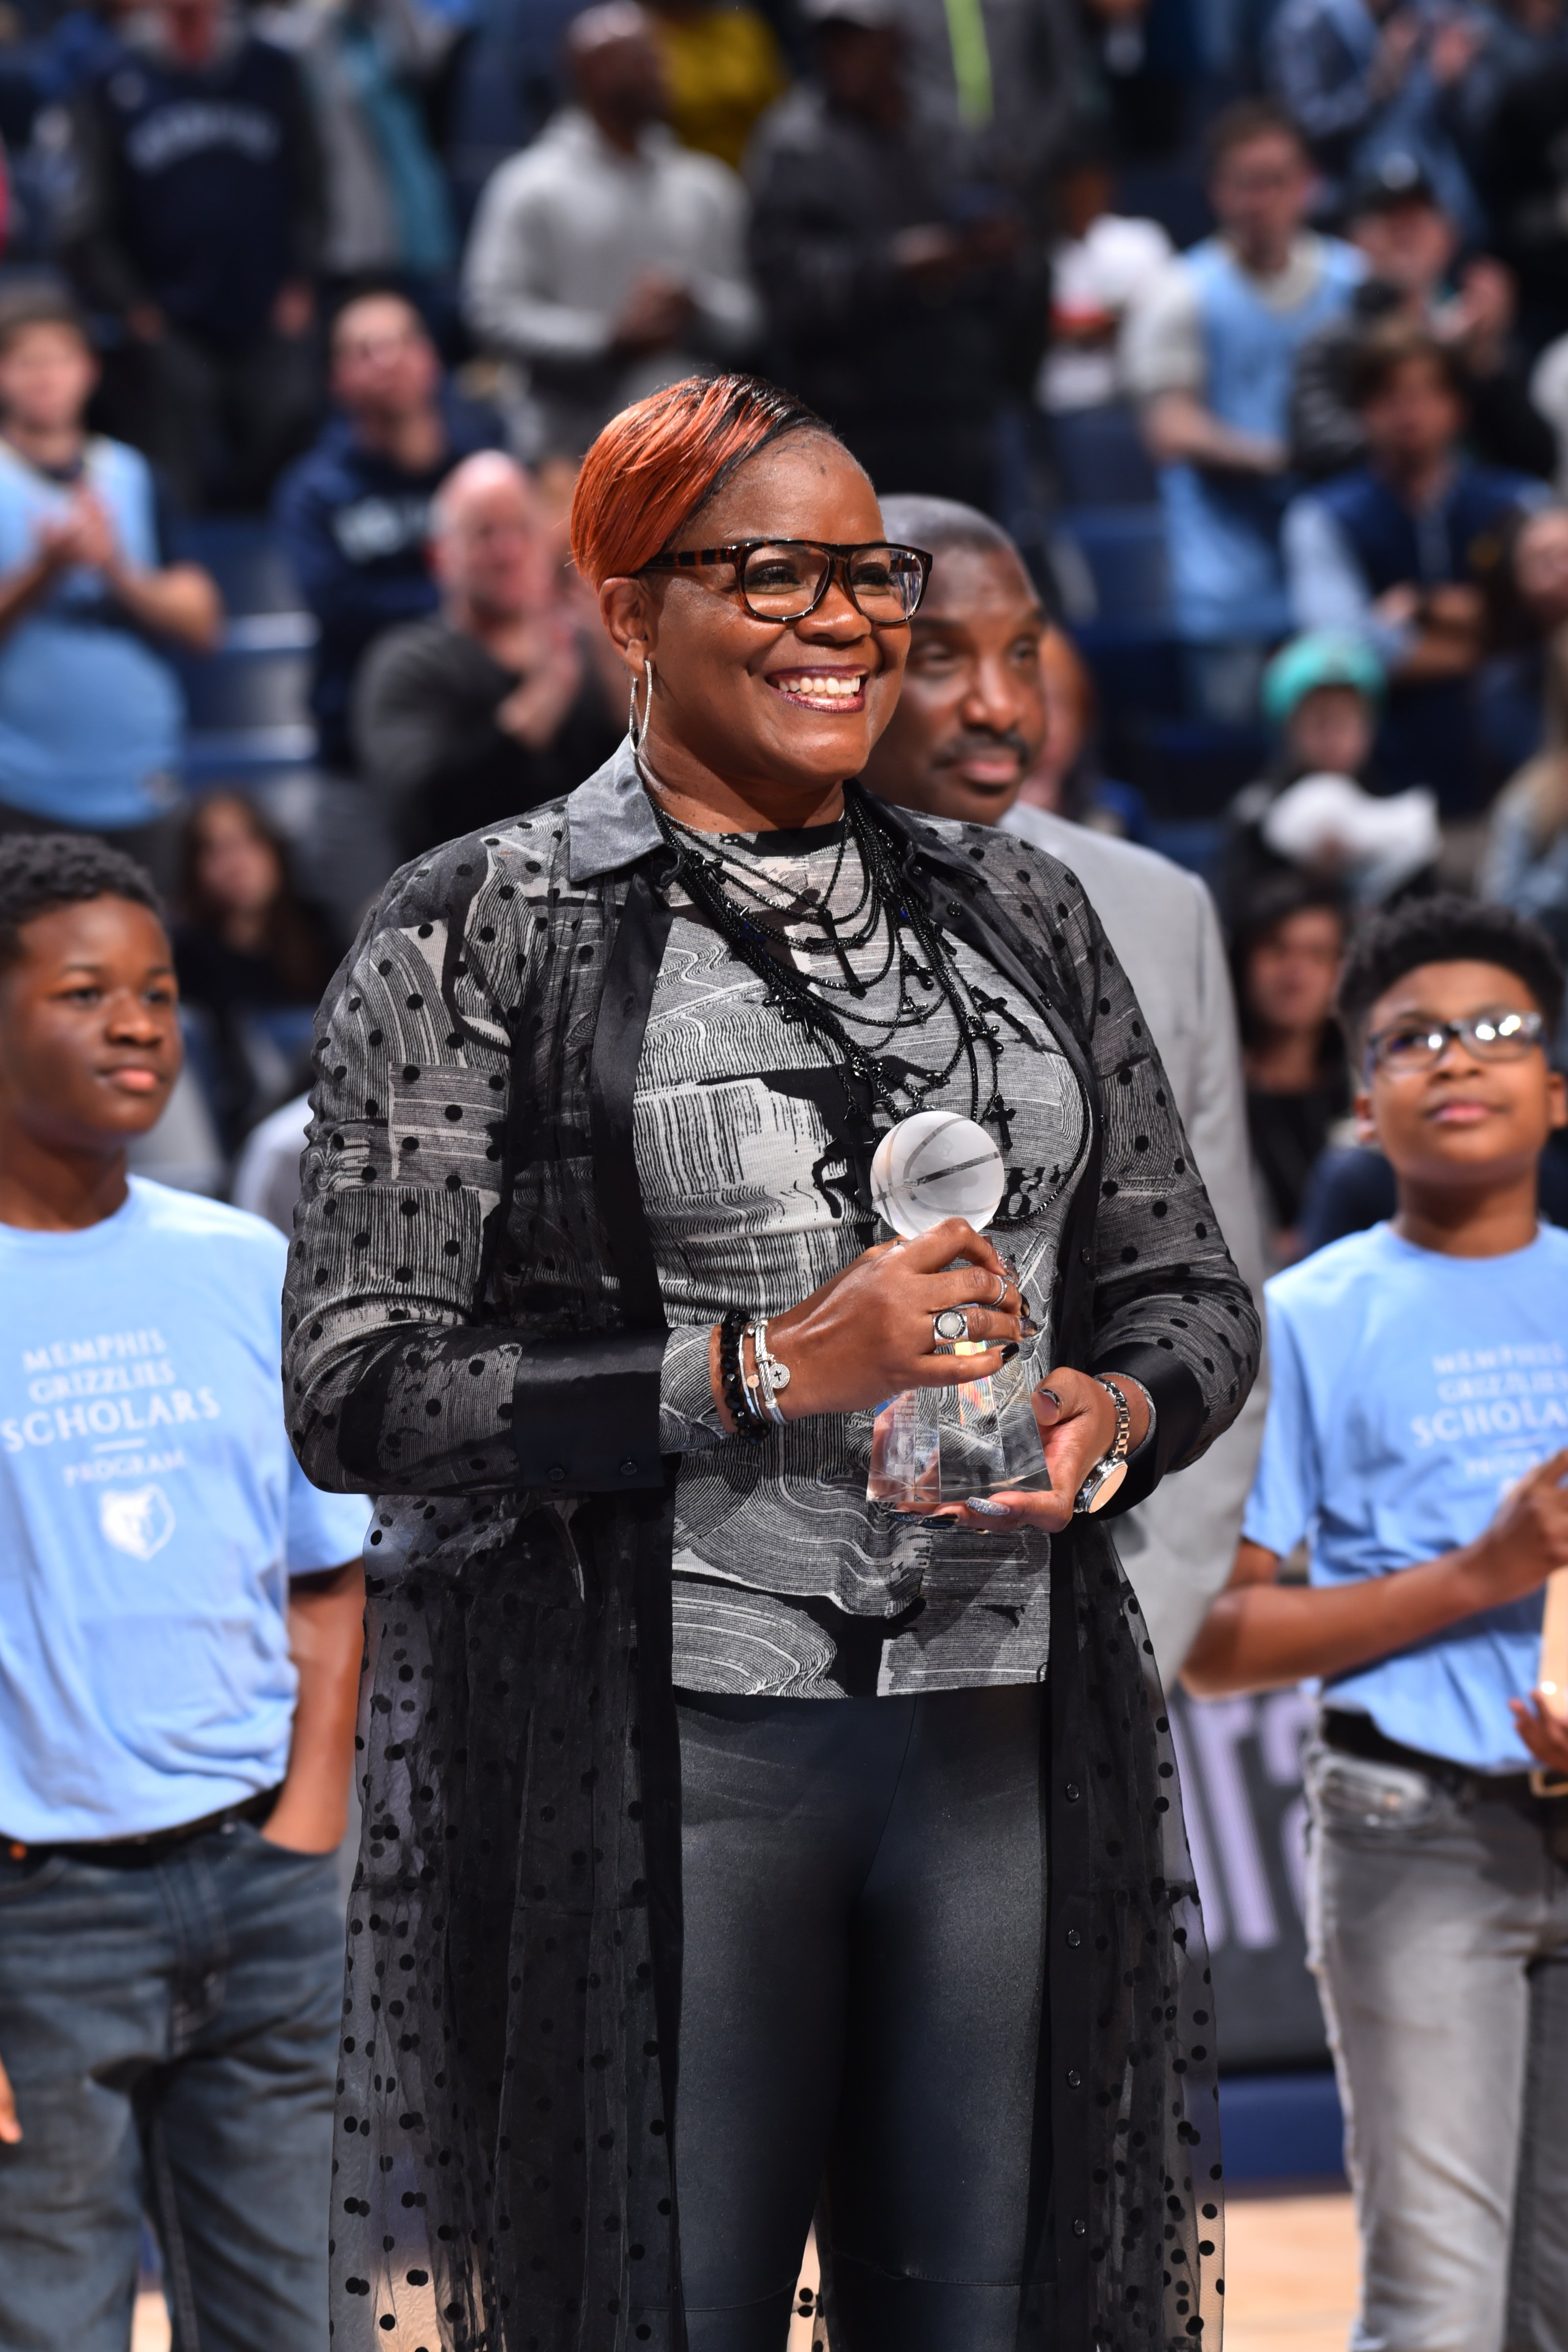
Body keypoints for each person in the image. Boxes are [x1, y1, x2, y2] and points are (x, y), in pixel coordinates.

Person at [284, 371, 1258, 2350]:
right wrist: (755, 1367)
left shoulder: (1018, 901)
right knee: (661, 2310)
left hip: (997, 1748)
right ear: (625, 609)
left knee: (976, 2317)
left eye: (865, 573)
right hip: (662, 1760)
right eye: (773, 573)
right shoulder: (477, 924)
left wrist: (1117, 1408)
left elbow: (1188, 1291)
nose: (843, 619)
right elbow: (361, 1382)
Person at [0, 833, 369, 2352]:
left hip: (263, 1889)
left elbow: (330, 1575)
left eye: (155, 991)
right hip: (36, 1919)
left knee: (297, 2324)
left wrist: (307, 1824)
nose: (141, 1023)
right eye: (86, 991)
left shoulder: (243, 1261)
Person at [1185, 894, 1568, 2352]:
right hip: (1415, 1833)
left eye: (1494, 1030)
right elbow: (1219, 1642)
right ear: (1362, 1098)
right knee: (1439, 2308)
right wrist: (1479, 1576)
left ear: (1554, 1084)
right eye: (1411, 1037)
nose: (1454, 1060)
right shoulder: (1306, 1316)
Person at [863, 488, 1267, 1680]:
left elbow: (1218, 1290)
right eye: (942, 658)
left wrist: (1146, 1612)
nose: (1000, 703)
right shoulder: (696, 912)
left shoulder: (1157, 906)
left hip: (1089, 1605)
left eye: (1025, 652)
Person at [745, 0, 1047, 511]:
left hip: (955, 406)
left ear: (894, 39)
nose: (840, 55)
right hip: (851, 416)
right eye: (829, 41)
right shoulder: (794, 144)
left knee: (958, 574)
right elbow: (784, 282)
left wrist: (996, 251)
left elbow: (1007, 255)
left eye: (856, 39)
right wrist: (896, 265)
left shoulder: (948, 130)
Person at [1122, 101, 1362, 719]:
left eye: (1277, 180)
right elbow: (1168, 428)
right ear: (1217, 192)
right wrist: (1279, 458)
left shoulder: (1352, 281)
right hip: (1227, 580)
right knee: (1234, 761)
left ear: (1306, 184)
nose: (1262, 200)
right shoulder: (1179, 292)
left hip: (1339, 566)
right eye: (1245, 184)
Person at [462, 2, 760, 461]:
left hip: (694, 455)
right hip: (572, 455)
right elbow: (492, 315)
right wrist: (606, 340)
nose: (660, 71)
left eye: (657, 57)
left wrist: (694, 304)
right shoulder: (529, 187)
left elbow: (749, 322)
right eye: (639, 59)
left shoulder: (706, 186)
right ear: (588, 73)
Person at [59, 0, 324, 512]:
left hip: (266, 308)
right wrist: (132, 307)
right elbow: (87, 220)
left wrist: (301, 278)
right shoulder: (109, 78)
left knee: (289, 420)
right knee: (172, 465)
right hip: (165, 318)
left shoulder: (273, 70)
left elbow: (312, 187)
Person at [0, 289, 220, 877]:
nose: (45, 377)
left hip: (137, 780)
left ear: (88, 371)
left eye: (59, 359)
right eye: (27, 361)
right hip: (19, 785)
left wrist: (115, 568)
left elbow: (202, 621)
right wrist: (42, 572)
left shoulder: (134, 476)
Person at [1285, 321, 1546, 810]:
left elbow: (1549, 628)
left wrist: (1423, 609)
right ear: (1362, 412)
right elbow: (1345, 655)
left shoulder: (1520, 504)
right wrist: (1493, 640)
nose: (1408, 412)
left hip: (1518, 782)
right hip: (1381, 792)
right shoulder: (1321, 518)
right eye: (1388, 396)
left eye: (1426, 393)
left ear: (1457, 408)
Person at [274, 287, 503, 773]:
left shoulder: (486, 467)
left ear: (431, 359)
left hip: (489, 735)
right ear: (336, 379)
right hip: (356, 750)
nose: (386, 360)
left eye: (400, 341)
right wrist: (467, 601)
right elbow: (342, 608)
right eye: (364, 350)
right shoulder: (312, 491)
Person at [353, 449, 621, 854]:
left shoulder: (592, 652)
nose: (507, 551)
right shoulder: (407, 665)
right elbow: (427, 813)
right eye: (484, 534)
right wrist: (543, 698)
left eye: (521, 530)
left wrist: (617, 665)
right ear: (438, 554)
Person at [1290, 154, 1555, 486]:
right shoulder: (1333, 342)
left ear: (1449, 234)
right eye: (1389, 222)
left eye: (1417, 219)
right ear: (1355, 241)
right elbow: (1315, 451)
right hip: (1374, 520)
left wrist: (1484, 363)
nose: (1405, 234)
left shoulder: (1478, 333)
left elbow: (1536, 460)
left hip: (1475, 518)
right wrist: (1409, 430)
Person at [1221, 631, 1441, 916]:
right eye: (1320, 721)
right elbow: (1237, 918)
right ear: (1289, 729)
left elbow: (1422, 913)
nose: (1335, 737)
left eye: (1348, 721)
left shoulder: (1393, 810)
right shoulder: (1255, 814)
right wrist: (1310, 879)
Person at [172, 792, 336, 1151]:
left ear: (275, 848)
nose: (236, 862)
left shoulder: (325, 933)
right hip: (234, 1130)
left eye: (248, 842)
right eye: (215, 849)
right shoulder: (181, 955)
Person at [1263, 0, 1482, 238]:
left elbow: (1471, 118)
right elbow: (1306, 127)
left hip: (1432, 188)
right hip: (1345, 193)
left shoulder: (1428, 15)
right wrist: (1377, 87)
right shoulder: (1306, 23)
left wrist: (1450, 83)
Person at [1231, 872, 1351, 1266]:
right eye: (1277, 950)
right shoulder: (1212, 1090)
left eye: (1318, 954)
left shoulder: (1367, 1086)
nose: (1295, 972)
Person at [645, 0, 791, 170]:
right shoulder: (640, 40)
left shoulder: (742, 28)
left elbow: (781, 109)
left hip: (759, 170)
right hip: (683, 181)